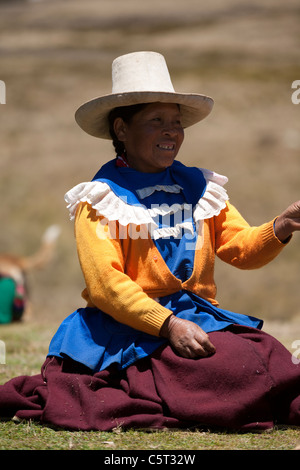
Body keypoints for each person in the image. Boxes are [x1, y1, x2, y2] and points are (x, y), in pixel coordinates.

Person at [0, 51, 299, 432]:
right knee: (233, 368)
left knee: (268, 354)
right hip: (131, 328)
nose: (171, 131)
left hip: (194, 317)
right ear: (122, 130)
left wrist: (283, 225)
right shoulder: (101, 200)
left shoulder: (198, 187)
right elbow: (106, 286)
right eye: (156, 121)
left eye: (176, 122)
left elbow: (239, 248)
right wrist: (169, 325)